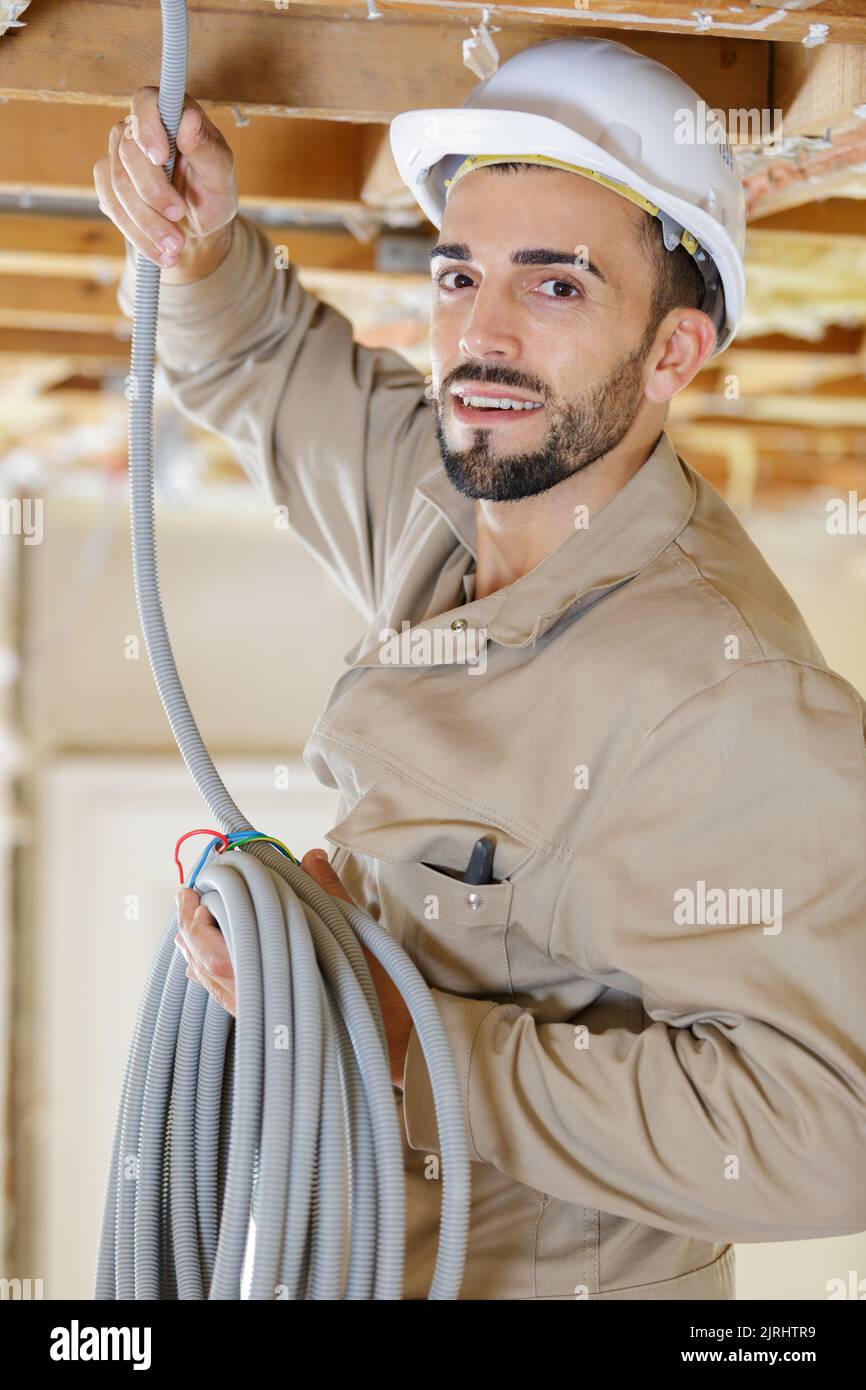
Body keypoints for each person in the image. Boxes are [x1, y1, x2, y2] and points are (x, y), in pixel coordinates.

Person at [96, 37, 866, 1300]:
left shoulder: (713, 690)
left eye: (553, 288)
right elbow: (263, 362)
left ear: (674, 352)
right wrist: (195, 249)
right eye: (460, 275)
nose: (481, 335)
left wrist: (402, 1036)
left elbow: (832, 1130)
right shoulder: (465, 501)